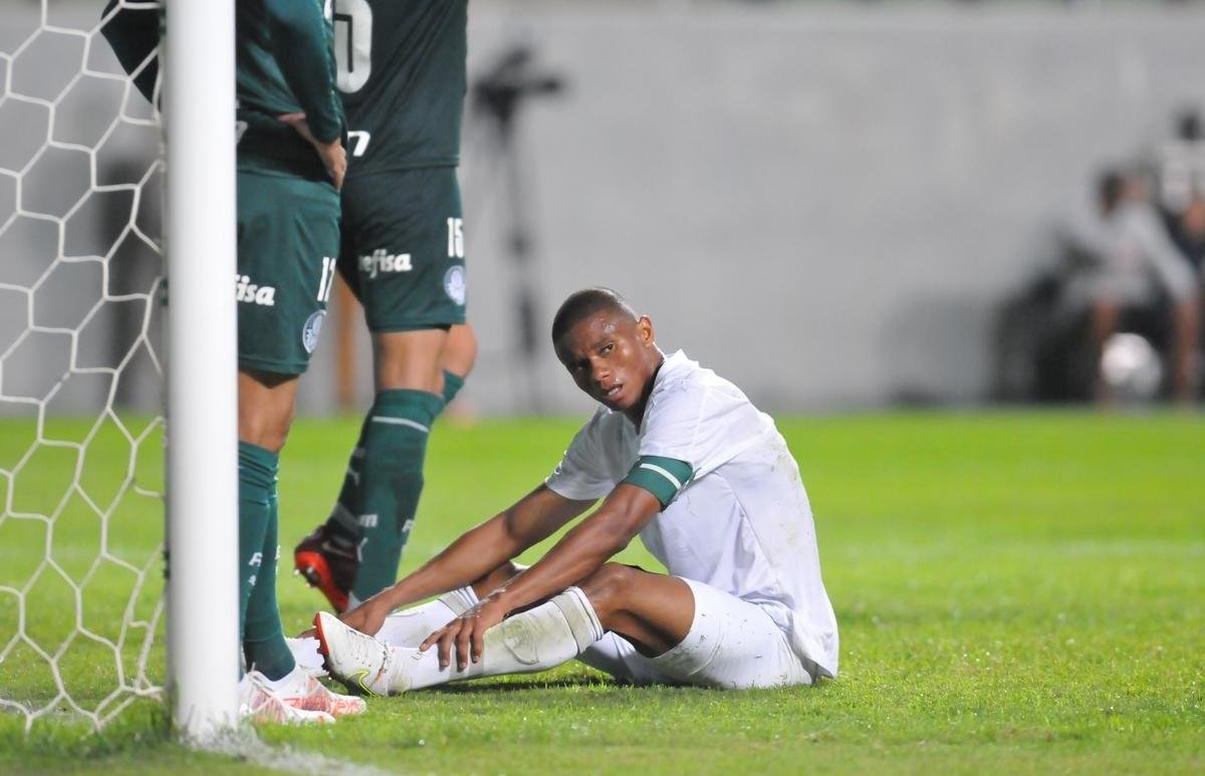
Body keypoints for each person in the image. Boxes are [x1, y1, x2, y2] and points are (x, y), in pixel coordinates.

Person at [311, 288, 838, 693]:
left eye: (609, 349)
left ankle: (402, 672)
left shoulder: (695, 400)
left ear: (646, 332)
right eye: (580, 365)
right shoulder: (611, 430)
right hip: (676, 636)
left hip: (775, 642)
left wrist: (501, 605)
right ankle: (336, 649)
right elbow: (514, 528)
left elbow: (619, 521)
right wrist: (388, 599)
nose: (599, 373)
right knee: (491, 573)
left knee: (608, 584)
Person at [102, 0, 364, 723]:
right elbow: (287, 4)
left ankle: (268, 667)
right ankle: (227, 674)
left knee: (243, 431)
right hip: (280, 180)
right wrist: (323, 123)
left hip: (220, 173)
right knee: (255, 428)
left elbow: (123, 8)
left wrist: (200, 117)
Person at [293, 0, 478, 614]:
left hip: (321, 160)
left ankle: (346, 535)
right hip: (405, 174)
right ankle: (369, 607)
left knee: (455, 348)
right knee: (408, 375)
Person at [1081, 169, 1200, 403]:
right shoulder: (1086, 219)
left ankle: (1182, 389)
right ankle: (1103, 389)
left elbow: (1166, 262)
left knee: (1186, 311)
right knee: (1104, 307)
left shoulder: (1140, 222)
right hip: (1094, 303)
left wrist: (1185, 295)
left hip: (1141, 300)